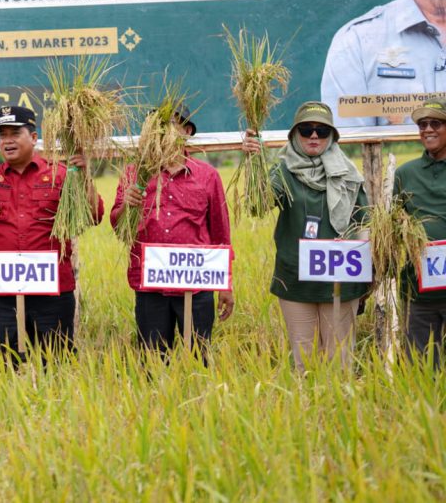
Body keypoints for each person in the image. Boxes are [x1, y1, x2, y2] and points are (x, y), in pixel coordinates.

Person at [0, 105, 103, 363]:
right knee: (12, 364)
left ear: (34, 138)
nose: (7, 140)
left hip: (54, 293)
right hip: (7, 295)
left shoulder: (60, 174)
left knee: (58, 365)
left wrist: (85, 177)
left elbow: (94, 215)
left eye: (15, 133)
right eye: (2, 135)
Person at [243, 101, 367, 371]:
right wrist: (254, 163)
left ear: (332, 136)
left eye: (322, 131)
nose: (314, 136)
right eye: (307, 129)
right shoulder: (283, 171)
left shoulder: (349, 174)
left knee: (340, 361)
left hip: (341, 279)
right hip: (296, 280)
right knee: (305, 360)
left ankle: (339, 412)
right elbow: (257, 204)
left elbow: (365, 223)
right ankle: (307, 412)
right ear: (295, 135)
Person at [111, 110, 234, 359]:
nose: (162, 130)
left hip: (196, 285)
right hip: (150, 287)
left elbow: (221, 233)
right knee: (152, 361)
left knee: (199, 359)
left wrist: (227, 284)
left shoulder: (207, 176)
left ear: (187, 132)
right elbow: (118, 227)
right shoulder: (135, 173)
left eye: (170, 124)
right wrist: (127, 204)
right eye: (157, 125)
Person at [394, 97, 446, 363]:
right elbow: (389, 226)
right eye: (422, 124)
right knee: (421, 367)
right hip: (418, 292)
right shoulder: (405, 174)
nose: (428, 129)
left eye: (436, 123)